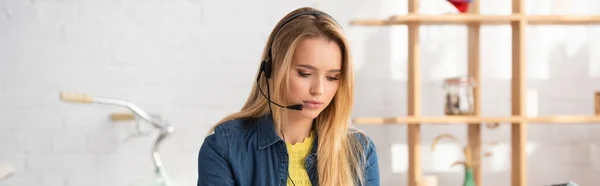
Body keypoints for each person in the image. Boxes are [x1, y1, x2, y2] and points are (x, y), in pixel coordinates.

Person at [197, 7, 380, 186]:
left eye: (332, 77)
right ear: (272, 69)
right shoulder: (224, 147)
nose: (319, 90)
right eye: (305, 74)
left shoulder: (360, 152)